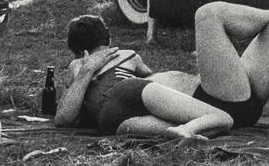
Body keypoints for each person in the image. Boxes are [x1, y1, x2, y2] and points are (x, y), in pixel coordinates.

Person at [56, 0, 269, 138]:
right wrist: (88, 69)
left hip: (229, 96)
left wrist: (207, 61)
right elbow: (65, 116)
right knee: (208, 14)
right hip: (217, 102)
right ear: (87, 50)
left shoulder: (128, 60)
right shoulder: (82, 67)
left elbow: (153, 86)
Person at [53, 15, 227, 139]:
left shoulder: (76, 66)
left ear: (76, 50)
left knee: (202, 129)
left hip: (109, 120)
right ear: (108, 39)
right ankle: (188, 128)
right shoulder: (126, 55)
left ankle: (185, 130)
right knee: (222, 119)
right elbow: (152, 80)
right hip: (128, 90)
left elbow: (63, 118)